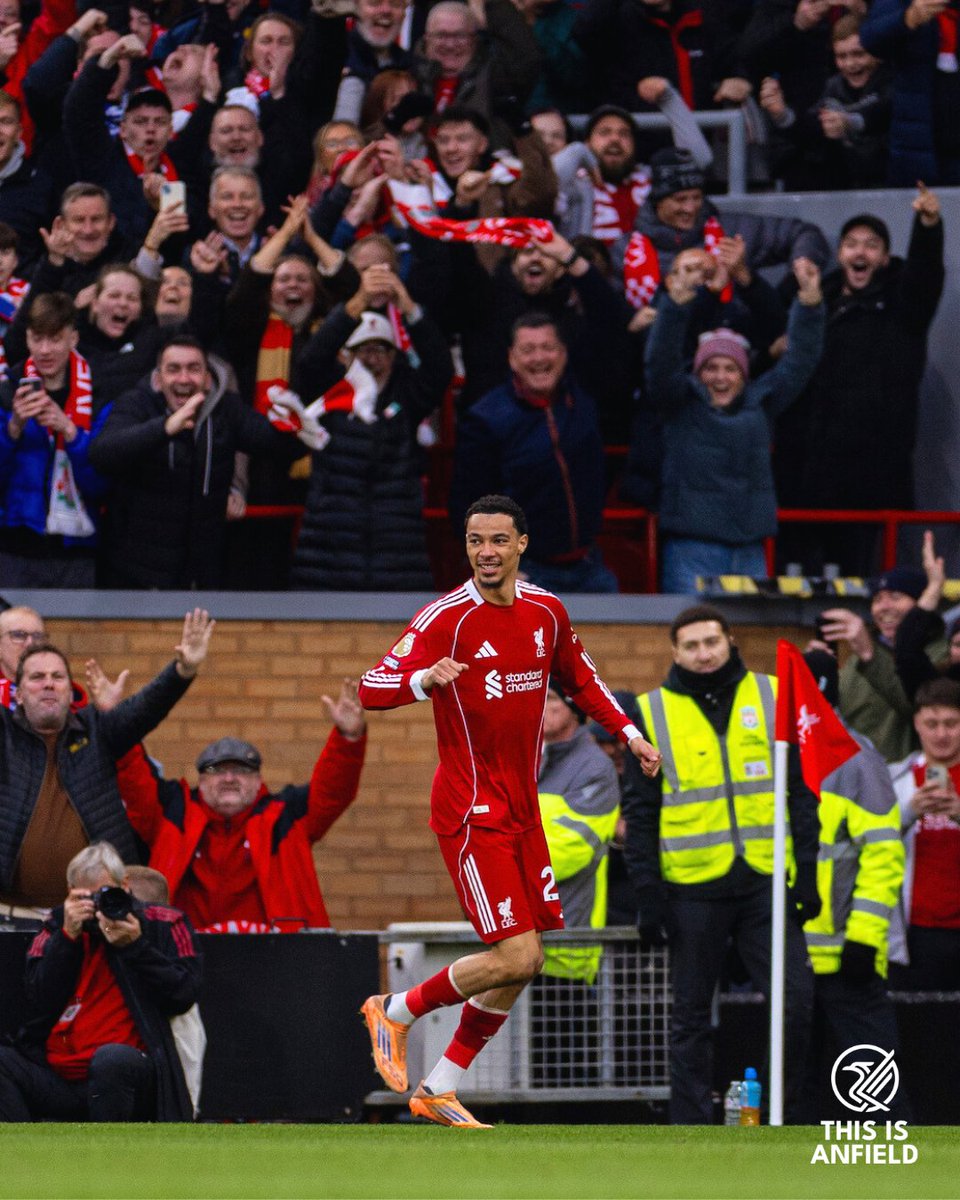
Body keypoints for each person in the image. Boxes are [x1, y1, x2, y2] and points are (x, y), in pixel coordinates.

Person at [357, 493, 661, 1127]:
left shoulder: (547, 611)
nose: (486, 553)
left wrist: (629, 734)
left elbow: (583, 678)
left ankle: (438, 1087)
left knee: (529, 961)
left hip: (524, 814)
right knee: (518, 956)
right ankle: (396, 1008)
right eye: (474, 541)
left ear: (522, 543)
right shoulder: (447, 617)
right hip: (472, 812)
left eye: (498, 540)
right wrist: (422, 681)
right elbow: (370, 686)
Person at [621, 603, 820, 1124]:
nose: (703, 653)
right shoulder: (649, 712)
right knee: (690, 1017)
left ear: (730, 640)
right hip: (691, 888)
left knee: (795, 1003)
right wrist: (648, 896)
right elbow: (640, 814)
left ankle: (782, 1114)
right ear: (675, 652)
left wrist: (809, 870)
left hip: (766, 882)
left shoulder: (772, 693)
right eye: (691, 645)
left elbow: (802, 793)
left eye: (711, 642)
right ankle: (691, 1126)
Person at [773, 186, 944, 578]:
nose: (860, 252)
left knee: (868, 583)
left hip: (873, 477)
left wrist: (929, 225)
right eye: (851, 244)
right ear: (840, 255)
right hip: (807, 475)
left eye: (871, 245)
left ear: (884, 257)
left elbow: (925, 276)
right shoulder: (813, 302)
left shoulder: (903, 309)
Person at [105, 679, 367, 932]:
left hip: (277, 962)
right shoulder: (171, 814)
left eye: (241, 770)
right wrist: (119, 720)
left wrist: (348, 737)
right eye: (216, 770)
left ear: (258, 781)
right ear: (202, 780)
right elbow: (133, 776)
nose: (229, 778)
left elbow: (333, 791)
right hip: (186, 961)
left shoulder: (286, 817)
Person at [0, 609, 214, 915]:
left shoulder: (96, 729)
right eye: (37, 677)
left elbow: (144, 709)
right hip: (11, 912)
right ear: (18, 694)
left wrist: (182, 671)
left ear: (68, 690)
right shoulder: (4, 733)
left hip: (96, 910)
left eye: (57, 677)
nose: (49, 684)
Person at [644, 256, 824, 594]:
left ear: (744, 375)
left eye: (731, 369)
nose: (721, 377)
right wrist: (676, 305)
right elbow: (661, 360)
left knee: (748, 644)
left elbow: (800, 361)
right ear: (697, 373)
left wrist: (810, 305)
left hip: (750, 550)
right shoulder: (678, 404)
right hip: (691, 549)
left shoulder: (762, 403)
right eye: (711, 368)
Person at [88, 335, 311, 589]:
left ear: (207, 379)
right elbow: (102, 454)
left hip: (199, 573)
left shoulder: (226, 409)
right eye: (173, 369)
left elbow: (275, 445)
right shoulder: (137, 403)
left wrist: (302, 428)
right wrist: (165, 427)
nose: (184, 379)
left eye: (193, 369)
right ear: (158, 379)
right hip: (137, 574)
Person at [0, 841, 201, 1121]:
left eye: (105, 895)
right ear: (70, 894)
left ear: (125, 886)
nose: (96, 908)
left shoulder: (163, 922)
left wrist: (135, 946)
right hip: (61, 1075)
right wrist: (68, 938)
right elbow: (38, 997)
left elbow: (184, 994)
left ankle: (108, 1159)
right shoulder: (58, 925)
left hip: (129, 1075)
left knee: (112, 1060)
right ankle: (23, 1155)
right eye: (85, 898)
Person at [289, 266, 452, 592]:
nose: (371, 358)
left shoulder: (408, 398)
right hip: (328, 552)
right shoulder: (328, 394)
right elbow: (310, 361)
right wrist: (358, 302)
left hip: (398, 554)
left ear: (394, 357)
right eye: (363, 350)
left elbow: (439, 368)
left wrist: (408, 307)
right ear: (346, 356)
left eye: (380, 349)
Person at [799, 649, 907, 1121]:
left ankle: (893, 1182)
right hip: (788, 956)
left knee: (872, 1097)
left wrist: (863, 938)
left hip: (845, 954)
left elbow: (884, 853)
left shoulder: (855, 756)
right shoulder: (780, 753)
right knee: (799, 1096)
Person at [450, 314, 617, 594]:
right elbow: (466, 508)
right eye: (528, 350)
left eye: (548, 348)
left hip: (589, 567)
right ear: (512, 358)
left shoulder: (582, 401)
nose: (539, 358)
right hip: (526, 572)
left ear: (563, 354)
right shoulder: (485, 419)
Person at [531, 678, 620, 1086]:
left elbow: (568, 851)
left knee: (561, 1070)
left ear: (573, 708)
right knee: (516, 1067)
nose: (542, 706)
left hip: (564, 944)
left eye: (551, 698)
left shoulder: (593, 766)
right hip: (515, 938)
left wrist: (499, 862)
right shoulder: (525, 757)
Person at [0, 292, 109, 587]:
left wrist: (71, 433)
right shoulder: (7, 390)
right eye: (37, 338)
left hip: (76, 548)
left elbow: (102, 483)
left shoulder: (99, 394)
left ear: (73, 339)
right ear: (27, 338)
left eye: (55, 339)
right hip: (14, 545)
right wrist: (13, 429)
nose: (45, 350)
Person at [819, 564, 934, 763]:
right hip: (859, 776)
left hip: (910, 779)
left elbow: (921, 708)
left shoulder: (940, 652)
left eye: (896, 597)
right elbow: (837, 718)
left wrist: (868, 653)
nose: (884, 607)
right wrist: (817, 674)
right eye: (877, 599)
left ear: (921, 605)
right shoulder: (859, 658)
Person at [888, 677, 960, 989]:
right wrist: (907, 812)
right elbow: (868, 845)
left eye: (951, 723)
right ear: (916, 723)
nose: (941, 734)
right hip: (913, 931)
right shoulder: (895, 780)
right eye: (932, 723)